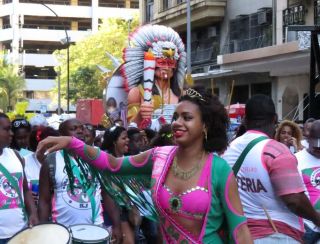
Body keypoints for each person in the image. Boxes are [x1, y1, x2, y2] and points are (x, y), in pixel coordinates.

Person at [37, 88, 252, 243]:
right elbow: (112, 164)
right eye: (175, 116)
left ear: (205, 125)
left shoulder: (220, 170)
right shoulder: (159, 157)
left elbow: (240, 231)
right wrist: (71, 143)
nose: (177, 122)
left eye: (187, 118)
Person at [223, 94, 320, 243]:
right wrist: (316, 218)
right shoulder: (276, 151)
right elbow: (294, 200)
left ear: (245, 119)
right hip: (276, 235)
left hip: (238, 235)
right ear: (274, 119)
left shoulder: (229, 149)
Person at [38, 119, 122, 243]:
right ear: (62, 136)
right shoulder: (51, 161)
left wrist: (117, 225)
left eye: (82, 128)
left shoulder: (96, 158)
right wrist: (42, 230)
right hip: (63, 231)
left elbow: (107, 194)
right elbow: (44, 201)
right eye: (73, 129)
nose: (80, 131)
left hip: (96, 230)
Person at [123, 25, 187, 127]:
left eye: (170, 63)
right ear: (150, 64)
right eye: (161, 62)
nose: (166, 67)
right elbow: (131, 127)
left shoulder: (182, 93)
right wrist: (140, 114)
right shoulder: (137, 92)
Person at [0, 113, 38, 243]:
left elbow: (25, 189)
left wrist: (33, 213)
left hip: (20, 231)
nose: (11, 133)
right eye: (6, 129)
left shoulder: (16, 156)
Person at [101, 126, 135, 244]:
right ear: (114, 141)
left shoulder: (130, 160)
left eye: (128, 138)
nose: (128, 140)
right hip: (111, 210)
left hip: (128, 209)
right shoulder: (105, 161)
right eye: (124, 138)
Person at [296, 120, 320, 244]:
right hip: (307, 225)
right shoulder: (296, 159)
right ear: (308, 139)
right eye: (316, 146)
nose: (318, 149)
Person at [24, 126, 59, 205]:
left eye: (54, 146)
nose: (51, 150)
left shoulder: (61, 161)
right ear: (36, 146)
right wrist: (26, 196)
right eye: (47, 146)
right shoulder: (24, 162)